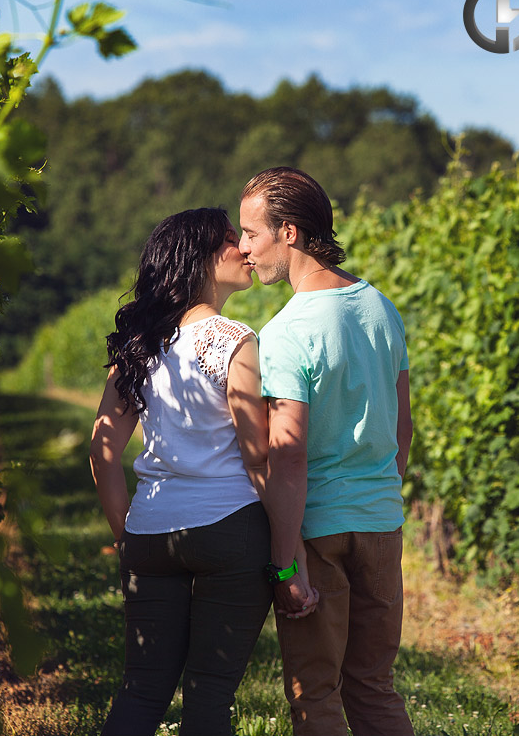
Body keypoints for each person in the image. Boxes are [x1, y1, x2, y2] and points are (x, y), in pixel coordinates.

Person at [88, 206, 318, 736]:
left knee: (141, 690)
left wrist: (127, 532)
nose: (242, 248)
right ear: (201, 260)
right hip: (230, 530)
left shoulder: (138, 346)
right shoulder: (233, 339)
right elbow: (258, 457)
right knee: (210, 694)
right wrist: (292, 559)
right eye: (228, 242)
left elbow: (102, 450)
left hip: (151, 530)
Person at [237, 167, 415, 735]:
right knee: (374, 687)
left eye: (251, 234)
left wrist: (286, 561)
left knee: (316, 697)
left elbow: (286, 456)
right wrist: (382, 500)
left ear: (288, 233)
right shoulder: (381, 308)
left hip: (319, 532)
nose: (243, 250)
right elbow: (403, 427)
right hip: (382, 524)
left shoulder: (287, 332)